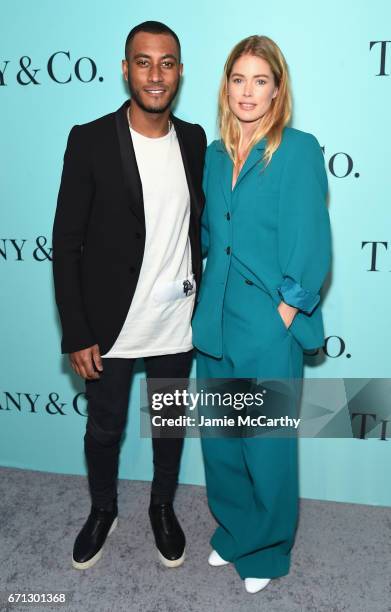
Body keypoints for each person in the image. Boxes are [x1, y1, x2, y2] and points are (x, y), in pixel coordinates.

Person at [52, 21, 206, 570]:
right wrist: (77, 329)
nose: (155, 74)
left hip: (175, 321)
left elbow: (194, 226)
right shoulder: (89, 138)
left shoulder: (193, 140)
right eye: (144, 62)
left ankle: (162, 507)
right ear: (125, 69)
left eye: (166, 63)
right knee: (105, 428)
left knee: (167, 425)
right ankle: (103, 510)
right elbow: (66, 243)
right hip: (111, 323)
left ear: (180, 72)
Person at [192, 35, 331, 594]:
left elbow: (312, 242)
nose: (248, 91)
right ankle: (235, 531)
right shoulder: (212, 154)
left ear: (277, 90)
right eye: (238, 79)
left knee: (266, 447)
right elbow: (210, 235)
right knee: (221, 443)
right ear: (226, 86)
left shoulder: (297, 149)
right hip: (216, 318)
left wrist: (285, 310)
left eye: (260, 80)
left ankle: (268, 551)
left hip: (269, 325)